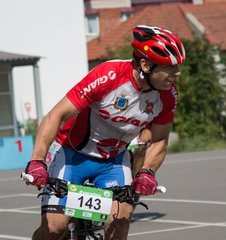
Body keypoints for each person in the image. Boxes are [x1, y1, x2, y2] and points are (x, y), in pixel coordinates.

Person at [24, 25, 186, 240]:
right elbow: (57, 115)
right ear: (146, 65)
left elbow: (160, 140)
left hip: (114, 162)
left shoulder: (168, 95)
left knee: (119, 227)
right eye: (170, 67)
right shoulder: (109, 75)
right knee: (55, 229)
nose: (177, 73)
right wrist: (38, 160)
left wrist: (147, 172)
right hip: (70, 155)